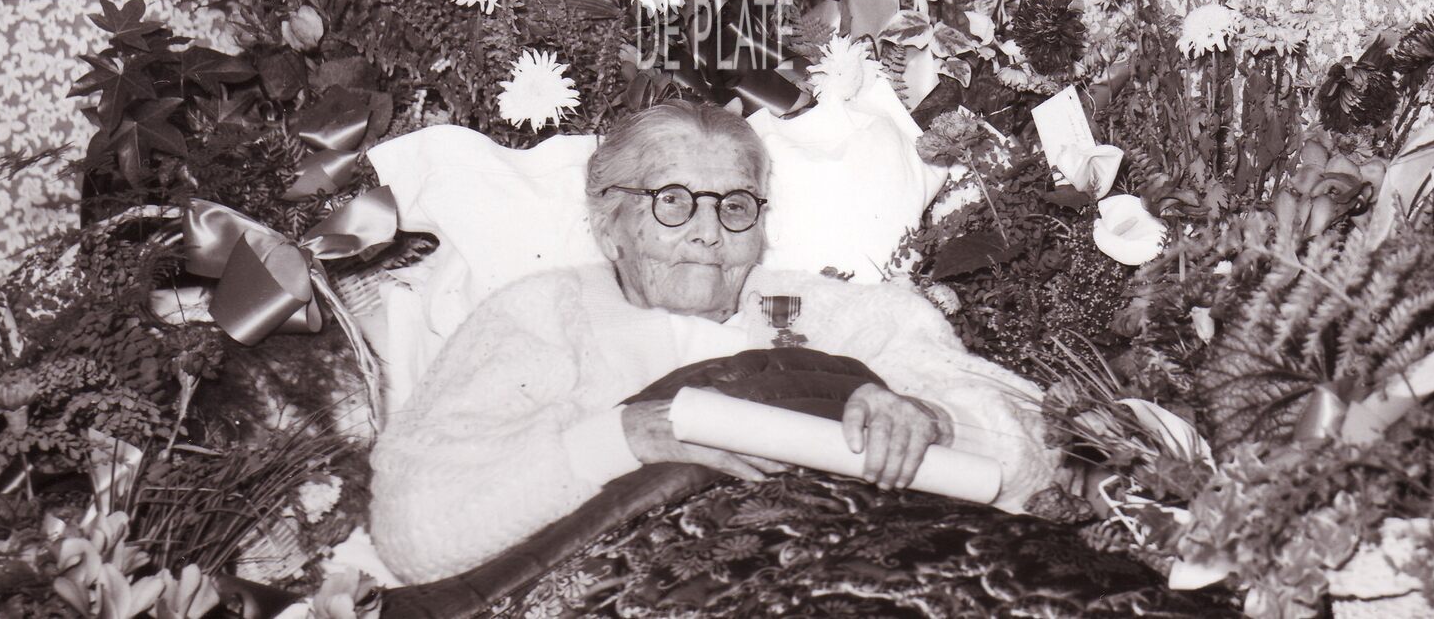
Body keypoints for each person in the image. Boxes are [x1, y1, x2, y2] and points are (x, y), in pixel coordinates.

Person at [370, 101, 1059, 585]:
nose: (708, 232)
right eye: (672, 201)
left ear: (760, 224)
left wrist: (932, 419)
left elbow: (1034, 452)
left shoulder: (831, 313)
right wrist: (623, 439)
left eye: (734, 205)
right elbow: (413, 534)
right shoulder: (541, 316)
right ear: (609, 223)